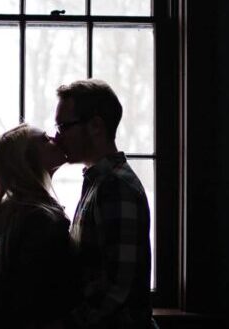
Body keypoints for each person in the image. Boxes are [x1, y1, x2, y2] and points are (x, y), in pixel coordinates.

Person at [53, 79, 156, 329]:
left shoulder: (115, 187)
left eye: (64, 126)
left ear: (96, 126)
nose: (57, 135)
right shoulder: (98, 182)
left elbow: (117, 290)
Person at [0, 123, 81, 329]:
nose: (56, 138)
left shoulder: (17, 215)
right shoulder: (41, 221)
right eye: (45, 139)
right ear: (27, 161)